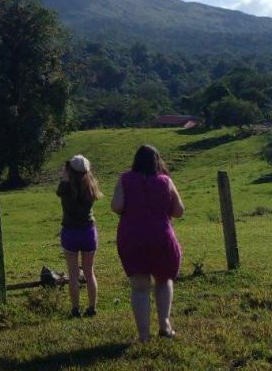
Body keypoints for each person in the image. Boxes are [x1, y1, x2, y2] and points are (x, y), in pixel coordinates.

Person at [111, 144, 185, 342]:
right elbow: (179, 211)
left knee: (140, 288)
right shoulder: (165, 181)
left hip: (132, 237)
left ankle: (143, 335)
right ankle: (165, 326)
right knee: (163, 280)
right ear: (157, 161)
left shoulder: (125, 179)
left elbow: (116, 207)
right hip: (161, 237)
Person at [57, 154, 101, 318]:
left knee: (73, 273)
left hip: (70, 232)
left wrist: (65, 176)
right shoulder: (90, 187)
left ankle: (75, 309)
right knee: (89, 272)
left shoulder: (64, 188)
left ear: (70, 171)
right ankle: (92, 307)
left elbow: (60, 189)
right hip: (88, 231)